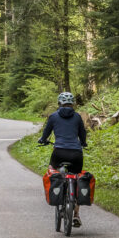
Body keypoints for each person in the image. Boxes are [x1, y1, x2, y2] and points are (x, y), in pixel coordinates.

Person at [38, 91, 87, 227]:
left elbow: (46, 132)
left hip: (59, 152)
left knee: (52, 170)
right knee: (76, 177)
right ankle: (76, 214)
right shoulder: (77, 117)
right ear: (73, 104)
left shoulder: (53, 116)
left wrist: (43, 140)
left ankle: (57, 195)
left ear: (59, 103)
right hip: (76, 153)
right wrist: (83, 142)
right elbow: (82, 133)